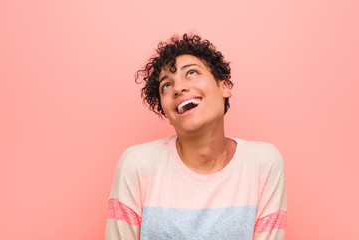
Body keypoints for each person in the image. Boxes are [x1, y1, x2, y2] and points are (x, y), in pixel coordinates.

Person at [105, 34, 287, 240]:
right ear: (167, 113)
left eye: (191, 73)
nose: (178, 88)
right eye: (166, 85)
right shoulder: (137, 165)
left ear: (224, 87)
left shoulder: (263, 163)